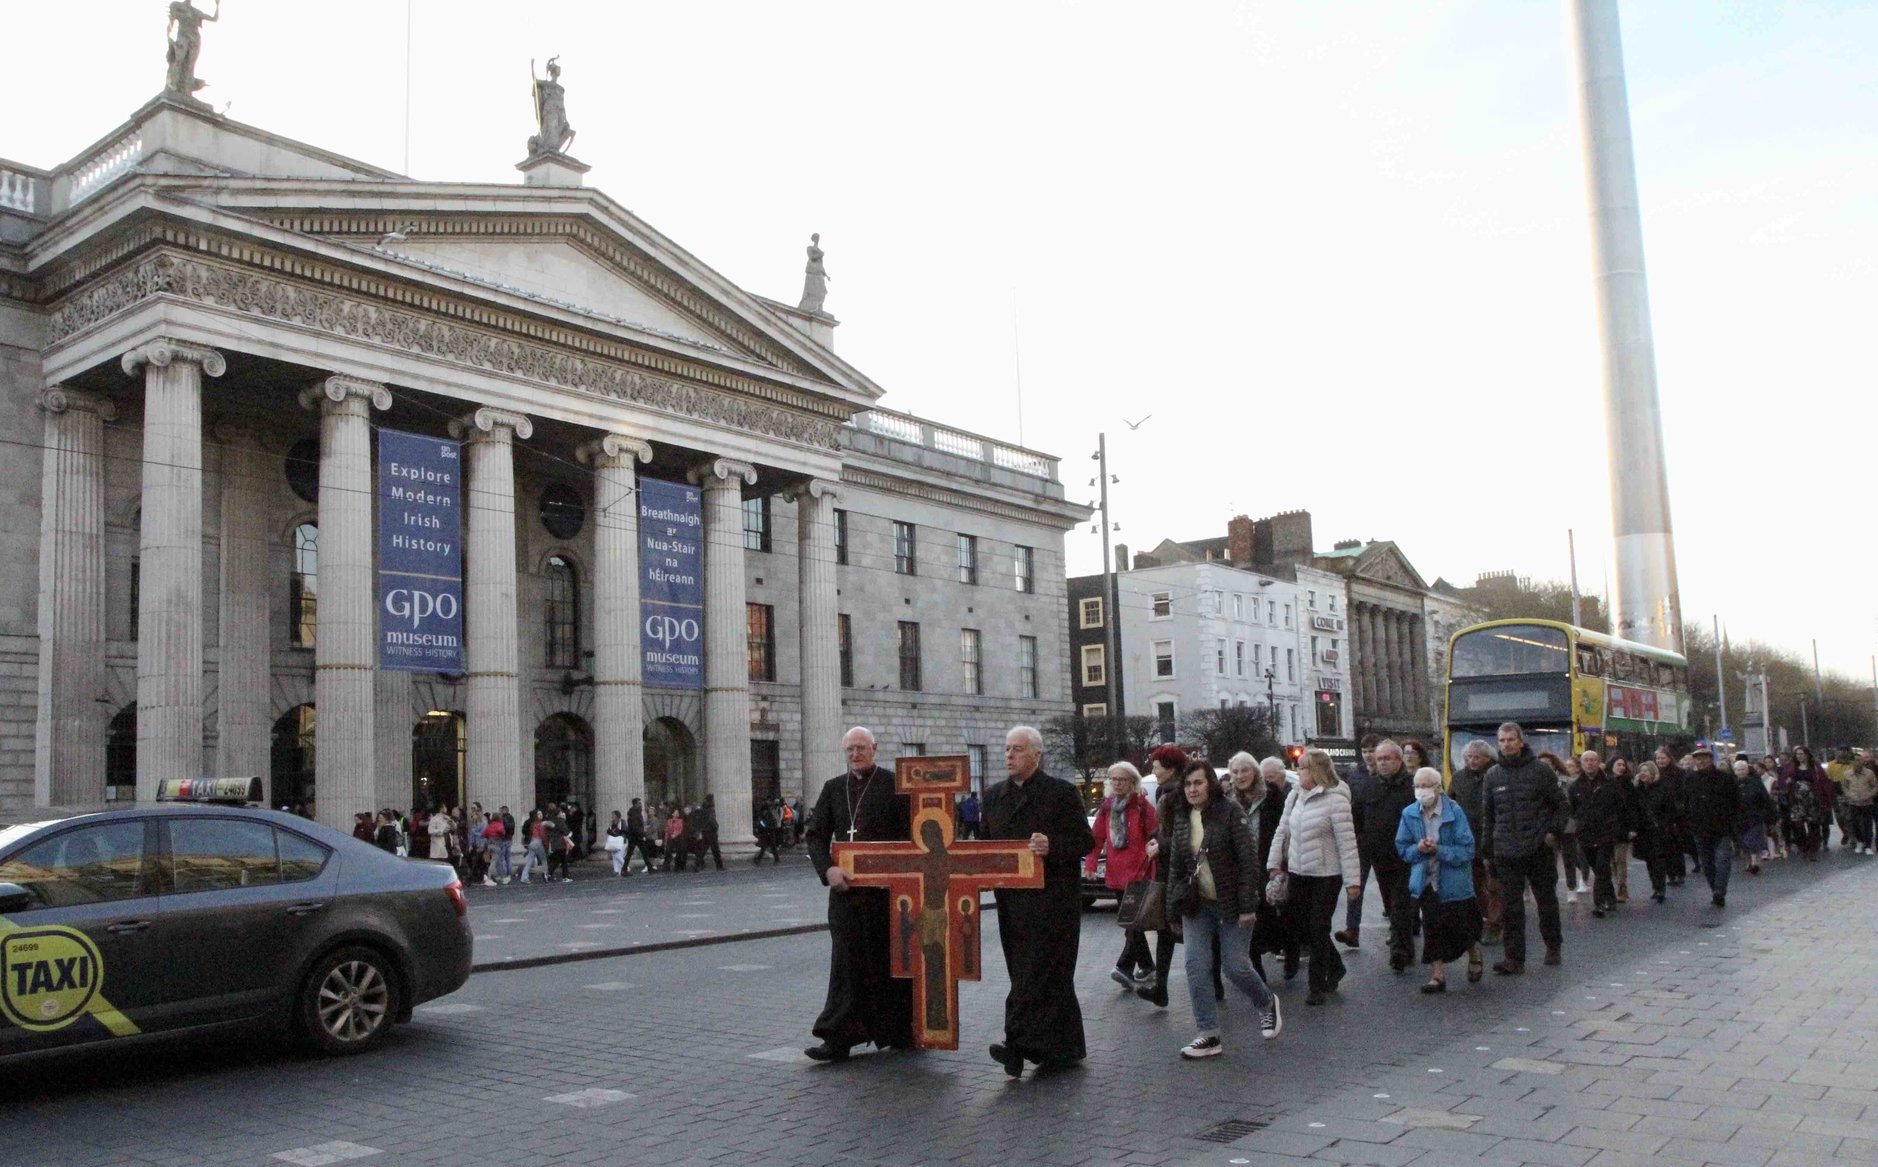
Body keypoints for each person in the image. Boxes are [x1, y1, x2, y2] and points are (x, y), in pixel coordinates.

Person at [982, 725, 1096, 1077]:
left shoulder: (1060, 793)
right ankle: (1061, 1047)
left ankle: (1016, 1045)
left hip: (1052, 903)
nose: (1009, 756)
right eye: (1006, 749)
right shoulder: (993, 796)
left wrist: (1052, 846)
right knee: (1024, 972)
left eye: (1017, 749)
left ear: (1037, 754)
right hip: (1012, 903)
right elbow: (986, 846)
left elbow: (1084, 841)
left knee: (1044, 973)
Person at [803, 727, 914, 1062]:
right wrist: (828, 870)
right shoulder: (833, 788)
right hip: (846, 894)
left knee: (889, 962)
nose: (855, 754)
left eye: (861, 748)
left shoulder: (895, 786)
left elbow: (912, 836)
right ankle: (837, 1037)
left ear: (874, 748)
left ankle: (896, 1030)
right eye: (849, 749)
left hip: (886, 895)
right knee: (846, 964)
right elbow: (815, 835)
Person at [1165, 760, 1281, 1058]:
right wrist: (1171, 908)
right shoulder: (1181, 815)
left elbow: (1248, 861)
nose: (1192, 789)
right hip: (1197, 904)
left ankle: (1266, 1002)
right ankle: (1208, 1034)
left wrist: (1247, 905)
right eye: (1188, 784)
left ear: (1211, 785)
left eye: (1198, 783)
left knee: (1235, 966)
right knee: (1195, 965)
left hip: (1232, 903)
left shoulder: (1230, 812)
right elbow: (1177, 866)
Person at [1267, 748, 1360, 1006]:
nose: (1298, 772)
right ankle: (1336, 965)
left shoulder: (1336, 799)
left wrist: (1353, 882)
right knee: (1302, 927)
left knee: (1319, 927)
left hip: (1326, 874)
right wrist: (1274, 863)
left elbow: (1347, 843)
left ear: (1316, 771)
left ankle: (1316, 985)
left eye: (1303, 768)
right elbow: (1282, 830)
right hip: (1298, 871)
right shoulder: (1295, 796)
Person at [1480, 722, 1568, 975]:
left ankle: (1553, 945)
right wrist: (1487, 852)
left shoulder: (1540, 771)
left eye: (1510, 740)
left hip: (1537, 847)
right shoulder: (1493, 775)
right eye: (1502, 740)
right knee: (1512, 906)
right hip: (1506, 849)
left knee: (1546, 901)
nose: (1506, 744)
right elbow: (1489, 816)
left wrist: (1552, 833)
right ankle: (1514, 958)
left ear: (1521, 741)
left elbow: (1561, 806)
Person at [1395, 766, 1482, 992]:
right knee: (1432, 926)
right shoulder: (1409, 813)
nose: (1421, 790)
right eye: (1417, 786)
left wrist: (1440, 850)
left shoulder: (1454, 812)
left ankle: (1473, 951)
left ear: (1437, 787)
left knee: (1461, 925)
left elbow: (1467, 849)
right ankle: (1437, 974)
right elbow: (1402, 848)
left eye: (1425, 786)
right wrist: (1419, 848)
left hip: (1453, 881)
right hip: (1426, 879)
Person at [1085, 760, 1159, 990]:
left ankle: (1124, 967)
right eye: (1113, 779)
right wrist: (1091, 863)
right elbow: (1096, 838)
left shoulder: (1143, 807)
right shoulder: (1107, 807)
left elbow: (1155, 837)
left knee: (1132, 922)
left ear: (1132, 782)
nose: (1116, 783)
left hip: (1139, 873)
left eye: (1122, 779)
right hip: (1116, 874)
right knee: (1130, 923)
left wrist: (1153, 864)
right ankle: (1146, 967)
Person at [1138, 745, 1201, 1008]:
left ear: (1171, 767)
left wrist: (1159, 845)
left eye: (1157, 765)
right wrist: (1157, 841)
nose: (1153, 770)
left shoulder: (1178, 795)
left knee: (1188, 927)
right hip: (1168, 868)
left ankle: (1209, 983)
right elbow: (1165, 831)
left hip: (1181, 871)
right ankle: (1160, 988)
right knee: (1166, 930)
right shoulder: (1166, 792)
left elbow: (1183, 835)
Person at [1346, 739, 1416, 971]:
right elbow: (1357, 815)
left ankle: (1400, 951)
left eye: (1388, 759)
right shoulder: (1370, 786)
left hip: (1406, 856)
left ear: (1398, 760)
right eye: (1380, 759)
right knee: (1391, 903)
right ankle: (1404, 944)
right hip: (1379, 854)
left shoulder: (1411, 786)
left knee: (1401, 904)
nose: (1383, 763)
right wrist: (1362, 839)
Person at [1447, 740, 1503, 944]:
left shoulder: (1497, 774)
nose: (1472, 761)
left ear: (1487, 758)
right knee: (1473, 884)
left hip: (1494, 838)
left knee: (1495, 884)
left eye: (1476, 757)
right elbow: (1449, 802)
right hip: (1467, 838)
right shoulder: (1459, 777)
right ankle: (1485, 919)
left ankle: (1496, 924)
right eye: (1469, 757)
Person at [1336, 733, 1382, 947]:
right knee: (1356, 884)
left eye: (1372, 751)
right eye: (1364, 751)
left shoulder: (1385, 772)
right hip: (1361, 836)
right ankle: (1351, 930)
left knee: (1388, 886)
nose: (1368, 755)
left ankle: (1405, 925)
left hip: (1384, 837)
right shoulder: (1355, 774)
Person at [1570, 751, 1629, 917]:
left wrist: (1620, 828)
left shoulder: (1610, 784)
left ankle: (1599, 903)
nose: (1589, 763)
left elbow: (1621, 808)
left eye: (1593, 760)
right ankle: (1610, 897)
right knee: (1598, 869)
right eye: (1586, 760)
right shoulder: (1575, 787)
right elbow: (1572, 811)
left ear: (1599, 763)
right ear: (1581, 764)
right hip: (1585, 834)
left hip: (1605, 833)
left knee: (1602, 866)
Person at [1685, 748, 1739, 907]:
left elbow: (1735, 802)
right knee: (1706, 863)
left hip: (1721, 827)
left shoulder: (1725, 778)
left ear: (1711, 759)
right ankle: (1714, 887)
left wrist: (1731, 821)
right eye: (1698, 759)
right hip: (1699, 828)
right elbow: (1685, 802)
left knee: (1722, 860)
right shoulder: (1690, 779)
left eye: (1704, 759)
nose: (1701, 762)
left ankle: (1719, 891)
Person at [1632, 762, 1672, 902]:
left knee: (1658, 859)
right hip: (1643, 830)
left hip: (1658, 829)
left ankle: (1660, 888)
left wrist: (1664, 824)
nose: (1643, 774)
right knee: (1649, 859)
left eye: (1646, 771)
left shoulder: (1662, 788)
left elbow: (1668, 808)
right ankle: (1655, 886)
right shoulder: (1637, 790)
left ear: (1653, 773)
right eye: (1641, 771)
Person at [1654, 746, 1690, 885]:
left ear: (1669, 758)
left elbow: (1683, 793)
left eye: (1663, 758)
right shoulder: (1655, 773)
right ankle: (1670, 874)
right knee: (1663, 847)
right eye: (1658, 758)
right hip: (1661, 815)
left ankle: (1680, 873)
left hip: (1676, 815)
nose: (1660, 761)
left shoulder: (1679, 773)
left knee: (1676, 846)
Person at [1734, 760, 1774, 876]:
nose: (1741, 772)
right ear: (1735, 771)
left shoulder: (1756, 782)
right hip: (1739, 818)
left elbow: (1765, 798)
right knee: (1743, 842)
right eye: (1738, 770)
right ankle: (1748, 861)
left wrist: (1769, 814)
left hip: (1755, 816)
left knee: (1752, 840)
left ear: (1747, 770)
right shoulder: (1732, 785)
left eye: (1743, 769)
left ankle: (1755, 862)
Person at [1609, 757, 1638, 902]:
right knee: (1612, 860)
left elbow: (1633, 808)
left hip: (1623, 826)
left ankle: (1622, 887)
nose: (1621, 767)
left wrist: (1633, 827)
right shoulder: (1606, 783)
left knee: (1620, 859)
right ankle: (1616, 884)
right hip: (1608, 827)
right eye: (1618, 764)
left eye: (1623, 765)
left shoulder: (1628, 785)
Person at [1844, 757, 1877, 855]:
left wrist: (1869, 795)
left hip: (1867, 802)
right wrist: (1849, 795)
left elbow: (1875, 786)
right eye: (1855, 761)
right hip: (1853, 803)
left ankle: (1868, 845)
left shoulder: (1869, 773)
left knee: (1868, 824)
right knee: (1854, 823)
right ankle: (1860, 841)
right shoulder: (1847, 774)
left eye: (1859, 761)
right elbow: (1844, 786)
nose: (1857, 763)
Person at [696, 795, 724, 871]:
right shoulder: (710, 810)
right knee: (715, 850)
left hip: (705, 831)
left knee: (704, 849)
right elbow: (712, 821)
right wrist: (716, 827)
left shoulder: (702, 810)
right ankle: (719, 866)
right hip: (711, 832)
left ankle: (698, 865)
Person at [544, 812, 574, 883]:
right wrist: (570, 833)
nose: (564, 816)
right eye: (562, 815)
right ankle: (564, 876)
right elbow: (566, 832)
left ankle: (549, 873)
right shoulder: (561, 822)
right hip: (561, 844)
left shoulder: (552, 822)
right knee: (563, 860)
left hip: (555, 843)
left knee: (558, 860)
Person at [482, 812, 510, 885]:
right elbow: (502, 832)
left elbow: (484, 834)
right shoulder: (499, 824)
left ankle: (500, 877)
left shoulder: (489, 825)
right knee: (494, 862)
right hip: (497, 845)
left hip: (489, 845)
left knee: (498, 862)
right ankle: (489, 878)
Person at [662, 806, 687, 872]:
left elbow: (680, 829)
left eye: (678, 812)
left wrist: (675, 834)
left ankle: (677, 866)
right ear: (672, 814)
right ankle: (666, 866)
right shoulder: (669, 821)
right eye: (676, 812)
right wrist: (667, 837)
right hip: (670, 837)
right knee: (668, 851)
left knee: (679, 851)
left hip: (678, 837)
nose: (677, 814)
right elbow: (667, 830)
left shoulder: (680, 821)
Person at [604, 811, 628, 875]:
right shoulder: (613, 823)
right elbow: (608, 831)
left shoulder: (622, 821)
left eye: (613, 815)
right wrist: (611, 825)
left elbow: (624, 830)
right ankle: (617, 870)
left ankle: (626, 867)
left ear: (617, 815)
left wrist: (615, 831)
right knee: (614, 855)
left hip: (622, 840)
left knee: (618, 855)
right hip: (615, 842)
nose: (612, 816)